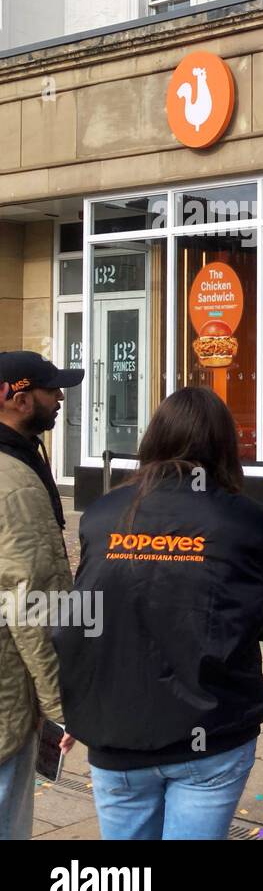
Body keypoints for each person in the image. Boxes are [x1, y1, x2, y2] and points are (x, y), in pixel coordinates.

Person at [54, 387, 263, 840]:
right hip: (208, 730)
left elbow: (81, 617)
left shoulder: (103, 514)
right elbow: (260, 620)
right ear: (225, 446)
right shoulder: (245, 519)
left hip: (121, 733)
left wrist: (76, 706)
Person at [0, 352, 80, 840]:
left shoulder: (22, 457)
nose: (60, 399)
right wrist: (61, 701)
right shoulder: (14, 481)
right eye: (52, 391)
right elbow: (26, 599)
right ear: (18, 397)